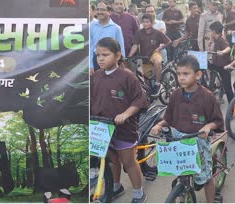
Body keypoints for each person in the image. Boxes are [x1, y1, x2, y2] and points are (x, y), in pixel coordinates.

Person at [150, 55, 224, 203]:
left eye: (186, 74)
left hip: (199, 140)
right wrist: (159, 125)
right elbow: (168, 118)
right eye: (178, 74)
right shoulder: (176, 94)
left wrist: (208, 126)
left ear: (198, 74)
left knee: (206, 177)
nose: (181, 78)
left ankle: (210, 201)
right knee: (182, 174)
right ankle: (183, 195)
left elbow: (217, 121)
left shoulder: (207, 97)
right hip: (179, 141)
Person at [91, 37, 148, 203]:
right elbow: (92, 99)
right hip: (102, 128)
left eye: (105, 55)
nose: (100, 58)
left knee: (129, 162)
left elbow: (139, 100)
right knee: (111, 160)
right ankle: (115, 187)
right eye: (98, 55)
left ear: (117, 56)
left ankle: (139, 193)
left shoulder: (127, 76)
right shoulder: (97, 76)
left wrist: (126, 114)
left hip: (124, 129)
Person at [129, 14, 171, 96]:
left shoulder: (157, 33)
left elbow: (168, 41)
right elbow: (135, 45)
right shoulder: (139, 33)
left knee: (158, 62)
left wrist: (160, 48)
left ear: (152, 23)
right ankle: (150, 97)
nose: (145, 24)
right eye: (144, 22)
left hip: (155, 53)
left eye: (147, 22)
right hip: (145, 57)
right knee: (147, 80)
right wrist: (129, 56)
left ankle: (158, 83)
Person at [90, 1, 125, 76]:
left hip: (111, 60)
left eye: (102, 9)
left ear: (109, 12)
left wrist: (122, 64)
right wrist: (90, 65)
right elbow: (90, 46)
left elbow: (121, 48)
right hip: (96, 60)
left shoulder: (116, 28)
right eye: (97, 9)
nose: (99, 12)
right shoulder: (92, 26)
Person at [208, 21, 234, 102]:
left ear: (213, 31)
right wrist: (210, 43)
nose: (210, 33)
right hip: (216, 65)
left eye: (210, 31)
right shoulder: (216, 39)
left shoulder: (221, 39)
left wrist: (222, 52)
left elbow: (228, 48)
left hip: (224, 66)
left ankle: (232, 105)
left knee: (227, 87)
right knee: (205, 64)